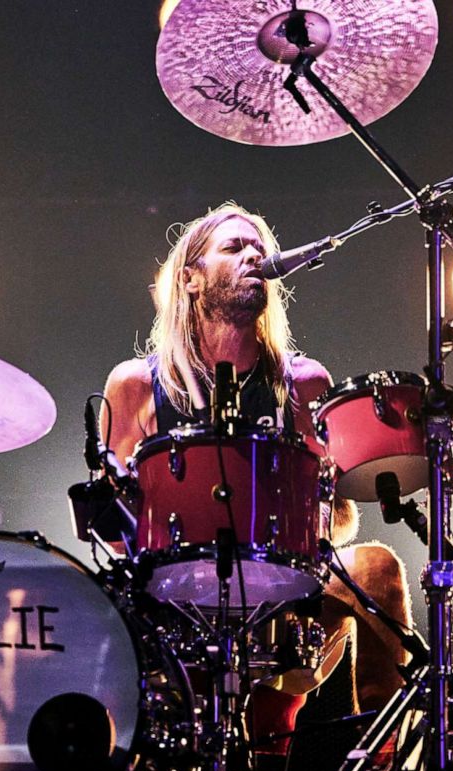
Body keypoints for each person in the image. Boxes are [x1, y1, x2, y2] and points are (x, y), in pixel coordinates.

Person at [99, 202, 412, 726]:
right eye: (234, 247)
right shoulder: (135, 384)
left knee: (377, 567)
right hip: (176, 594)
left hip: (285, 592)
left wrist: (317, 511)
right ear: (192, 279)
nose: (255, 257)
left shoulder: (305, 383)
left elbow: (337, 520)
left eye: (259, 249)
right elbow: (110, 531)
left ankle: (382, 768)